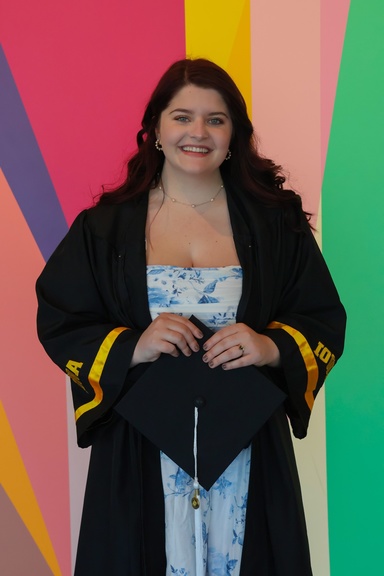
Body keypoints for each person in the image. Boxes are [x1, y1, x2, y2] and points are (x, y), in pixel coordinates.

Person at [36, 58, 346, 576]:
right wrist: (132, 345)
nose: (197, 133)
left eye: (215, 119)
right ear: (156, 127)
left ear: (233, 135)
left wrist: (271, 346)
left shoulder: (276, 224)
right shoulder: (104, 228)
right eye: (182, 117)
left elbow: (321, 317)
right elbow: (62, 317)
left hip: (247, 441)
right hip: (140, 446)